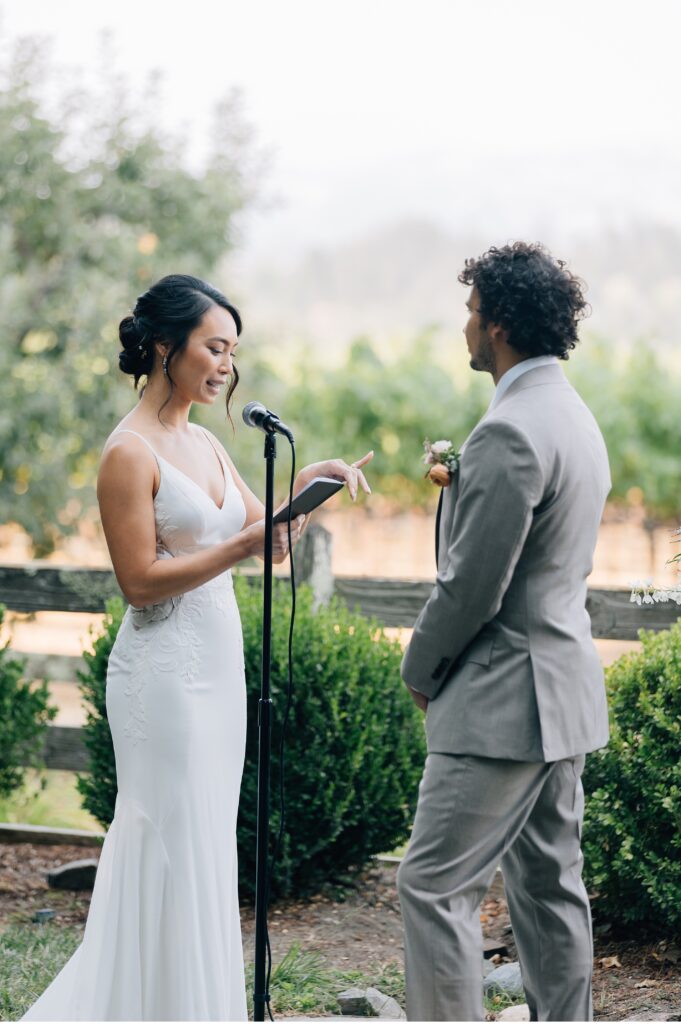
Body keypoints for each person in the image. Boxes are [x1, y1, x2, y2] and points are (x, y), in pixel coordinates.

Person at [21, 273, 372, 1022]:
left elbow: (264, 538)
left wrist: (311, 484)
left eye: (232, 351)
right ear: (162, 346)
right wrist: (246, 540)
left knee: (208, 837)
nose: (225, 365)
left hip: (217, 670)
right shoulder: (129, 453)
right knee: (168, 835)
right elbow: (140, 582)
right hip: (162, 676)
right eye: (213, 347)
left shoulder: (208, 442)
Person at [397, 242, 612, 1022]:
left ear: (496, 326)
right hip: (560, 698)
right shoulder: (574, 417)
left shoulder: (509, 430)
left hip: (499, 704)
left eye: (469, 311)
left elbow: (470, 588)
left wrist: (419, 669)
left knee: (431, 887)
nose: (463, 325)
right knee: (550, 888)